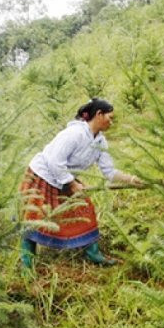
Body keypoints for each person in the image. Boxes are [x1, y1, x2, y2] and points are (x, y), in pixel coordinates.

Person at [19, 98, 142, 268]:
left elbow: (109, 171)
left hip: (65, 177)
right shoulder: (74, 134)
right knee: (34, 217)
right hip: (42, 174)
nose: (111, 122)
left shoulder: (100, 141)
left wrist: (131, 179)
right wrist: (71, 184)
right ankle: (27, 264)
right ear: (99, 114)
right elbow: (54, 161)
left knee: (85, 209)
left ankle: (93, 254)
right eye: (110, 117)